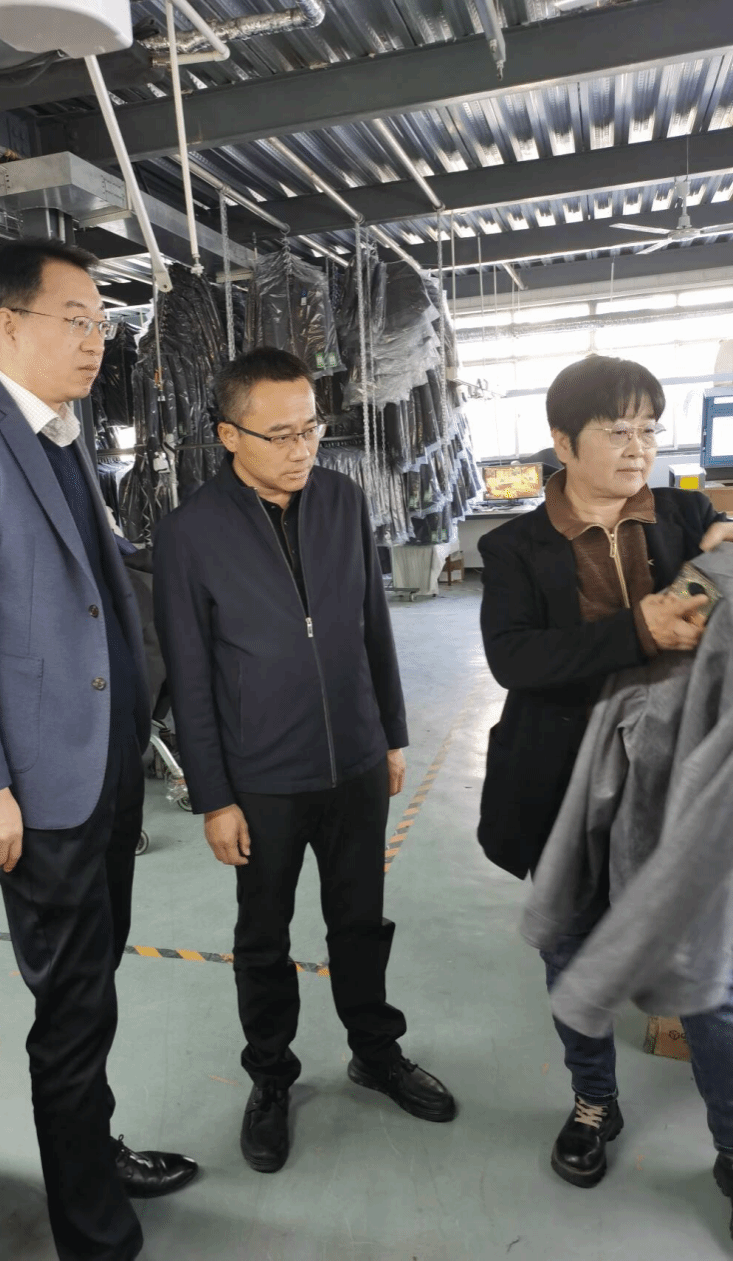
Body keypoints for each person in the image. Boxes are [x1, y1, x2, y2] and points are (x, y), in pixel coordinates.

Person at [0, 238, 196, 1261]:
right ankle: (92, 1234)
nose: (95, 340)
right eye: (76, 319)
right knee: (69, 1009)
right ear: (7, 323)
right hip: (32, 785)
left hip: (100, 763)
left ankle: (93, 1156)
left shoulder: (62, 435)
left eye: (101, 322)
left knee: (91, 988)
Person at [153, 347, 457, 1176]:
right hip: (263, 777)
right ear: (229, 434)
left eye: (311, 428)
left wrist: (390, 733)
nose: (302, 449)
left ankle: (376, 1050)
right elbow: (190, 674)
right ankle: (270, 1076)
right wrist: (214, 796)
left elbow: (371, 624)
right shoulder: (189, 533)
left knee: (361, 918)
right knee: (264, 935)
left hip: (354, 758)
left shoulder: (343, 500)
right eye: (280, 434)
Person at [478, 354, 733, 1195]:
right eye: (616, 430)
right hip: (562, 786)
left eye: (649, 428)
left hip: (673, 785)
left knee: (708, 973)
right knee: (571, 949)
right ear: (562, 441)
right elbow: (515, 658)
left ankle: (732, 1138)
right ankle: (594, 1101)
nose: (637, 447)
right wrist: (639, 631)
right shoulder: (515, 546)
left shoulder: (687, 513)